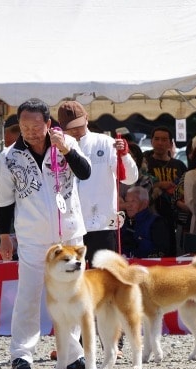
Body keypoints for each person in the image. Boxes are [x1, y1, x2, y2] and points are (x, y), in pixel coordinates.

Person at [0, 98, 91, 369]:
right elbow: (3, 202)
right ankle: (22, 355)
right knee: (28, 295)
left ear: (49, 124)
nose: (30, 131)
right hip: (32, 237)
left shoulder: (66, 145)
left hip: (70, 233)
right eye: (24, 126)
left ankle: (72, 355)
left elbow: (85, 173)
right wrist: (4, 236)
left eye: (36, 126)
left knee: (71, 294)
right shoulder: (8, 158)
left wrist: (65, 149)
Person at [57, 101, 139, 264]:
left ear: (86, 119)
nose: (74, 131)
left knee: (102, 279)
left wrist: (124, 156)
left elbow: (130, 178)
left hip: (102, 225)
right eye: (69, 127)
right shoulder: (56, 147)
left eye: (78, 125)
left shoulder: (105, 142)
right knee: (73, 280)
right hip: (70, 227)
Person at [144, 126, 187, 256]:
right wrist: (159, 185)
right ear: (151, 141)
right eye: (156, 139)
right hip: (150, 215)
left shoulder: (179, 165)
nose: (160, 143)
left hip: (174, 218)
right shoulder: (145, 163)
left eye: (164, 139)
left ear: (170, 143)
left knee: (172, 252)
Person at [121, 186, 172, 258]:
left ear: (145, 203)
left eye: (133, 201)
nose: (128, 205)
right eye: (127, 201)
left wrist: (136, 257)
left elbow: (162, 253)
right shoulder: (123, 222)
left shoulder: (157, 223)